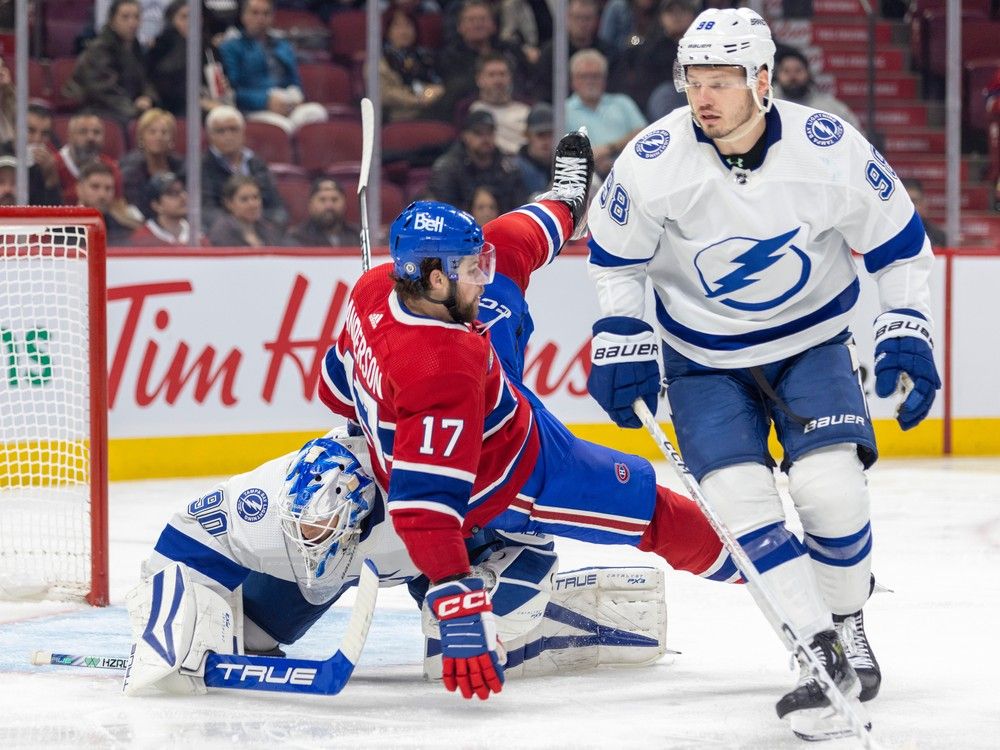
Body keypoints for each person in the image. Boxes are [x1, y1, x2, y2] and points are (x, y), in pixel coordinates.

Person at [585, 7, 939, 740]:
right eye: (693, 82)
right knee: (742, 511)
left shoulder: (829, 147)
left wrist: (905, 322)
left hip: (810, 345)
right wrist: (620, 332)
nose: (703, 98)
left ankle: (847, 619)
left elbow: (900, 244)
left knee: (830, 494)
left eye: (721, 82)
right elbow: (615, 259)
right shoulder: (654, 158)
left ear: (763, 80)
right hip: (702, 363)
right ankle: (818, 655)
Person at [318, 130, 743, 704]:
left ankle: (566, 200)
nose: (482, 274)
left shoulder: (374, 287)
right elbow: (424, 510)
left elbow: (334, 384)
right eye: (471, 267)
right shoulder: (443, 367)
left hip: (488, 399)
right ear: (436, 277)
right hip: (508, 476)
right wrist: (456, 598)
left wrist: (365, 418)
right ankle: (762, 568)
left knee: (508, 266)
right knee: (650, 508)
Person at [122, 427, 679, 696]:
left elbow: (526, 514)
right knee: (246, 638)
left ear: (361, 513)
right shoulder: (265, 504)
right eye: (305, 533)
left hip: (457, 556)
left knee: (454, 656)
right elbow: (182, 540)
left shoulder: (423, 492)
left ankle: (567, 623)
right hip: (366, 568)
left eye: (323, 533)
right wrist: (164, 625)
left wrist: (489, 578)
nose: (311, 543)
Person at [218, 0, 327, 134]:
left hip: (286, 102)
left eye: (266, 13)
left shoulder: (283, 45)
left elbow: (295, 81)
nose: (260, 18)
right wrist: (265, 101)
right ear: (243, 16)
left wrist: (296, 97)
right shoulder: (231, 47)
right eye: (255, 13)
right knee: (283, 127)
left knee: (316, 112)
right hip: (254, 108)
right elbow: (232, 91)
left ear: (272, 17)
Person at [63, 0, 157, 125]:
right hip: (93, 107)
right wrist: (134, 111)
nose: (132, 23)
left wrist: (148, 97)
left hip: (124, 106)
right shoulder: (99, 48)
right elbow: (103, 90)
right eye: (125, 17)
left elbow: (145, 80)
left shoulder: (136, 48)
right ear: (112, 20)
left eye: (136, 17)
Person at [200, 105, 287, 231]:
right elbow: (207, 211)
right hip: (225, 235)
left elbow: (277, 208)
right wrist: (240, 227)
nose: (228, 136)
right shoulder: (201, 166)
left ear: (243, 132)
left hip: (261, 231)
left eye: (233, 129)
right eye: (220, 131)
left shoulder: (257, 163)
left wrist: (262, 228)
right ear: (209, 136)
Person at [427, 109, 528, 213]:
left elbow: (519, 207)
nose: (485, 138)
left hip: (501, 225)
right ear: (465, 136)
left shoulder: (507, 167)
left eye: (489, 132)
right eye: (478, 133)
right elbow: (444, 211)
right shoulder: (447, 168)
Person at [146, 0, 236, 117]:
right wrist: (200, 102)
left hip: (212, 105)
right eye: (184, 17)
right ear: (172, 21)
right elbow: (165, 89)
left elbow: (222, 83)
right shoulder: (161, 49)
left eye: (195, 16)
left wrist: (223, 86)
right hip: (174, 110)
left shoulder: (209, 49)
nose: (190, 21)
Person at [565, 49, 647, 176]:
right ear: (573, 81)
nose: (590, 81)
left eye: (595, 76)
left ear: (604, 79)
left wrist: (609, 149)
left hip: (630, 170)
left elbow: (643, 134)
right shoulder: (563, 111)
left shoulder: (623, 103)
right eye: (583, 76)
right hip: (584, 176)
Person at [530, 0, 616, 103]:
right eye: (577, 18)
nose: (582, 24)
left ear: (596, 21)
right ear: (567, 19)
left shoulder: (608, 52)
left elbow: (613, 88)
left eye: (587, 19)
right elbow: (542, 90)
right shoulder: (551, 52)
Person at [377, 9, 447, 123]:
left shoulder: (426, 57)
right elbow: (385, 94)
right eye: (397, 27)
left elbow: (438, 84)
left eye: (408, 26)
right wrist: (417, 100)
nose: (404, 32)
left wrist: (430, 94)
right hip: (395, 117)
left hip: (430, 111)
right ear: (387, 31)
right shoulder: (379, 62)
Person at [773, 47, 861, 131]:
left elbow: (857, 136)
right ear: (777, 75)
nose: (793, 76)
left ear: (808, 74)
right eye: (786, 71)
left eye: (798, 70)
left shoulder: (829, 106)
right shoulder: (768, 104)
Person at [120, 108, 185, 220]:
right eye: (152, 132)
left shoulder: (181, 166)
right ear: (141, 137)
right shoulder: (130, 170)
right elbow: (135, 208)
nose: (158, 137)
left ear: (172, 139)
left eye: (164, 132)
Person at [52, 113, 126, 206]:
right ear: (70, 135)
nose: (91, 138)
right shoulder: (53, 165)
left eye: (96, 132)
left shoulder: (111, 168)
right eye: (83, 132)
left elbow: (118, 207)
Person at [468, 53, 531, 157]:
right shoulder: (474, 111)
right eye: (491, 75)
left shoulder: (526, 110)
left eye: (502, 74)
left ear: (510, 78)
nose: (498, 81)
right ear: (479, 80)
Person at [208, 173, 284, 247]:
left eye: (256, 197)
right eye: (244, 199)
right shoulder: (222, 232)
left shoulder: (268, 229)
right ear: (229, 204)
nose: (253, 204)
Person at [129, 171, 202, 246]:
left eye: (184, 190)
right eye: (173, 193)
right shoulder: (141, 241)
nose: (184, 197)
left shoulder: (199, 238)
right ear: (156, 205)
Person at [76, 161, 141, 245]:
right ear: (79, 189)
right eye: (95, 187)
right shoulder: (60, 230)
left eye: (108, 188)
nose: (102, 195)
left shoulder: (123, 232)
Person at [285, 178, 360, 247]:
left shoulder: (358, 236)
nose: (329, 206)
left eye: (334, 199)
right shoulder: (297, 238)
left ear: (344, 203)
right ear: (310, 204)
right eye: (322, 200)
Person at [515, 102, 555, 196]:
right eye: (540, 135)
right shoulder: (516, 170)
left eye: (550, 134)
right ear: (528, 136)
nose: (546, 141)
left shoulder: (563, 166)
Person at [903, 178, 947, 247]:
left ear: (923, 204)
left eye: (914, 201)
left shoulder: (939, 238)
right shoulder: (887, 235)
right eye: (905, 202)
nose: (910, 207)